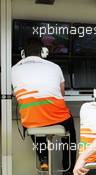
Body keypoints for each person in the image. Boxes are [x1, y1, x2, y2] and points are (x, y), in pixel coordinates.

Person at [11, 37, 76, 174]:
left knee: (33, 118)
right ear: (43, 52)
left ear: (23, 53)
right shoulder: (55, 67)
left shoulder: (13, 69)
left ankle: (43, 157)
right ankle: (69, 169)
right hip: (58, 119)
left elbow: (14, 92)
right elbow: (62, 93)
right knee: (70, 129)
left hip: (31, 122)